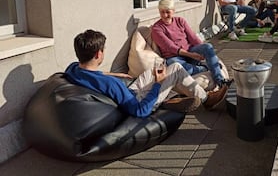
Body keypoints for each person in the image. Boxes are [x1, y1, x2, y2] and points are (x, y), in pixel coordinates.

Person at [65, 29, 228, 116]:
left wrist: (115, 74)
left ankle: (170, 99)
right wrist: (157, 84)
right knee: (176, 69)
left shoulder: (73, 68)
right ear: (98, 54)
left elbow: (95, 75)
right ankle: (207, 99)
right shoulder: (111, 85)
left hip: (131, 91)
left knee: (156, 70)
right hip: (139, 102)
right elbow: (139, 111)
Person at [151, 0, 232, 88]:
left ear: (173, 11)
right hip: (174, 57)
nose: (165, 15)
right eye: (162, 12)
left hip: (189, 50)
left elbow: (193, 38)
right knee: (181, 68)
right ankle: (205, 68)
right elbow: (170, 47)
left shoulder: (180, 21)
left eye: (168, 12)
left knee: (207, 47)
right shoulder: (156, 28)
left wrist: (201, 49)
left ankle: (220, 81)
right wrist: (192, 55)